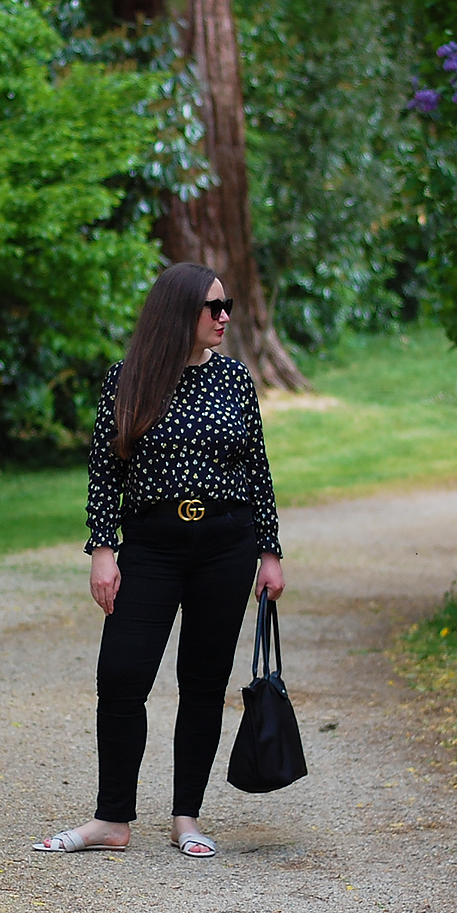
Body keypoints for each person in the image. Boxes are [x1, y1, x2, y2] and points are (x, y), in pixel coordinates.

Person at [34, 263, 285, 859]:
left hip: (227, 542)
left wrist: (269, 552)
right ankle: (112, 820)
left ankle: (186, 818)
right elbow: (105, 472)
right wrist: (103, 548)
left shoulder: (235, 381)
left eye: (227, 306)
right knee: (120, 676)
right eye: (213, 308)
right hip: (151, 543)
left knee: (202, 682)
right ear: (179, 313)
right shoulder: (129, 379)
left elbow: (257, 469)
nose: (225, 318)